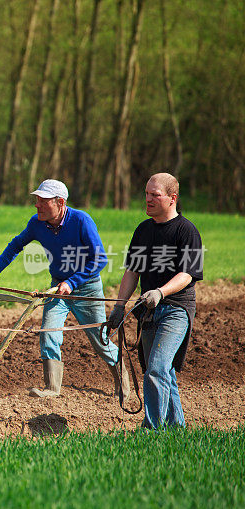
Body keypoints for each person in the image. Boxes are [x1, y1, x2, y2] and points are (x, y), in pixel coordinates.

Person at [0, 179, 129, 401]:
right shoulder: (36, 223)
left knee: (99, 340)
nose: (37, 205)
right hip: (57, 286)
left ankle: (122, 381)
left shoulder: (81, 221)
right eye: (36, 200)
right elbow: (16, 245)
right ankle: (52, 388)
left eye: (43, 201)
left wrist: (73, 282)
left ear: (60, 202)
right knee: (48, 332)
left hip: (86, 288)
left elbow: (100, 259)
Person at [104, 173, 203, 429]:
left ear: (172, 198)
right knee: (163, 372)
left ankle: (151, 430)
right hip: (147, 313)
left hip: (175, 310)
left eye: (154, 195)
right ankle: (176, 429)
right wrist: (118, 307)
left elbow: (187, 274)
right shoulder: (143, 230)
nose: (147, 199)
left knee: (156, 369)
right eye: (146, 194)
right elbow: (132, 271)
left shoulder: (186, 231)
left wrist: (160, 292)